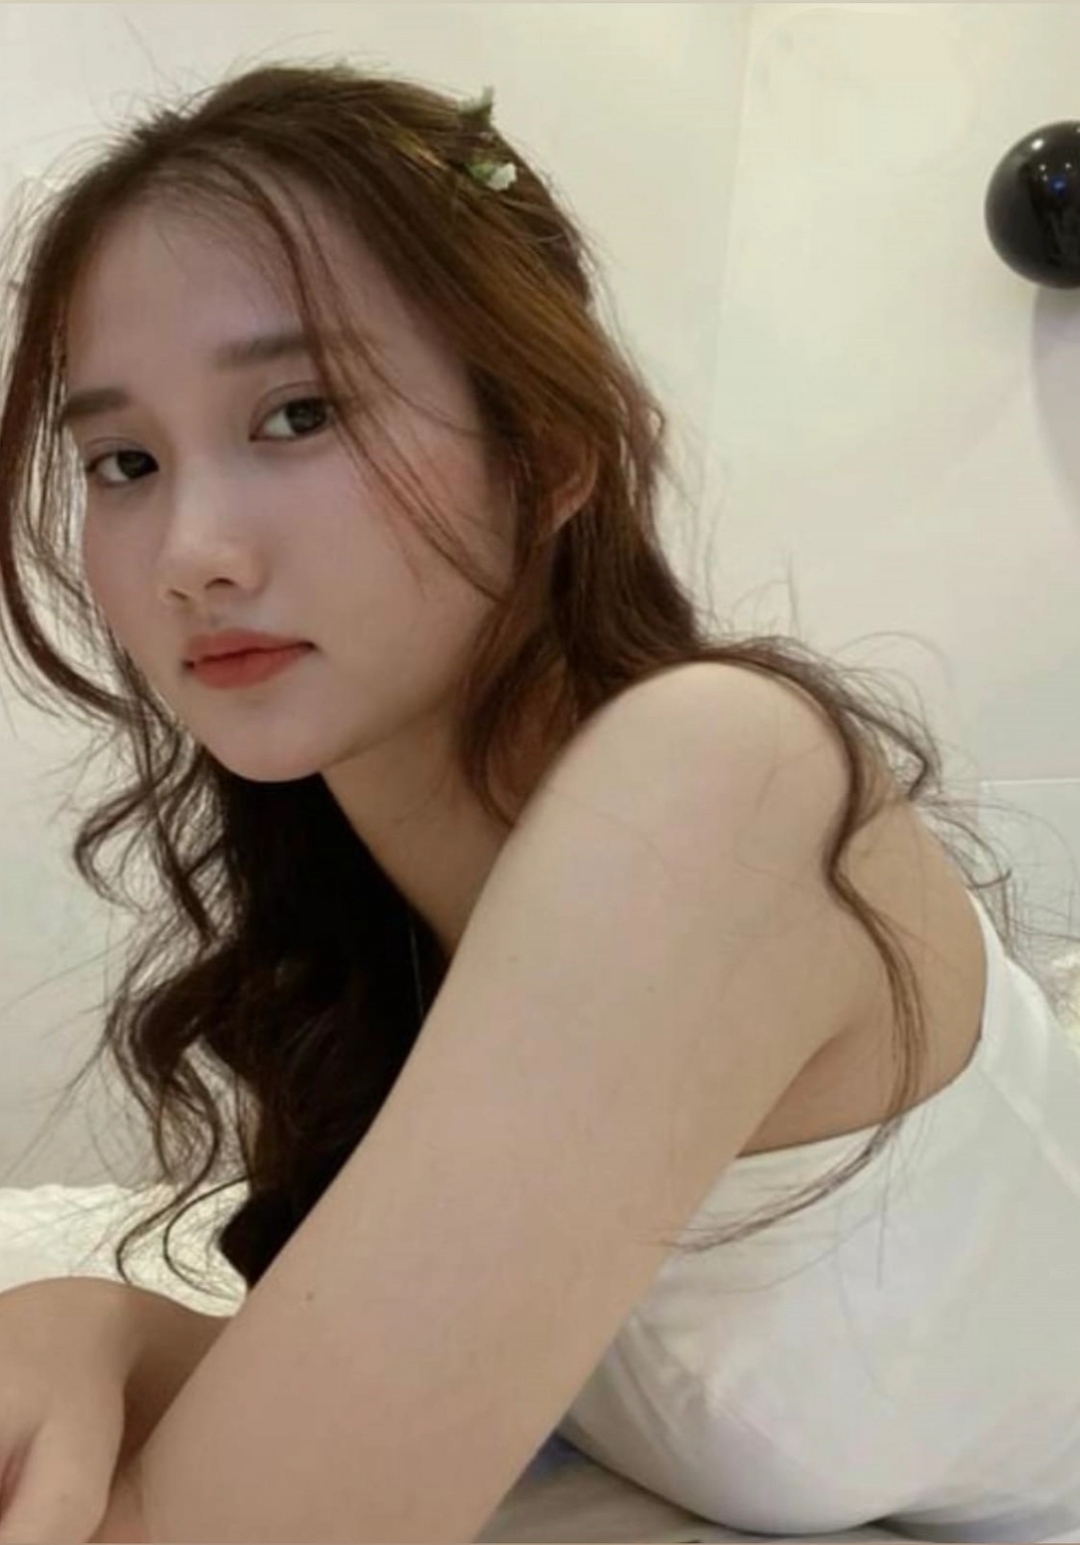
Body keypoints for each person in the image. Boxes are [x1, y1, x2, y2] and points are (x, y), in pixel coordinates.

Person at [0, 58, 1078, 1545]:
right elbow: (417, 1399)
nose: (190, 552)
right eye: (123, 460)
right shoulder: (387, 919)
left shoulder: (718, 782)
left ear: (551, 451)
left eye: (300, 414)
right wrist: (108, 1324)